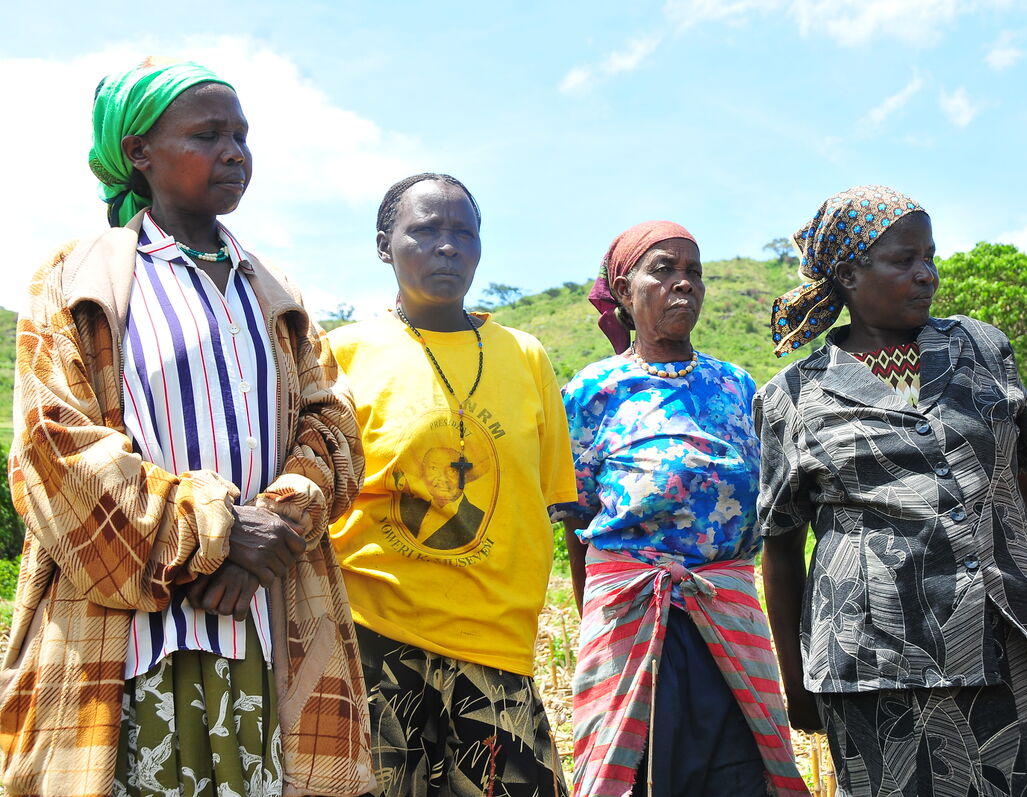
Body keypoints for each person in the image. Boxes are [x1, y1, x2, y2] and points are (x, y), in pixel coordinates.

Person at [0, 59, 374, 797]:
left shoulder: (279, 295)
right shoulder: (76, 282)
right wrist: (215, 532)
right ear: (138, 152)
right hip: (128, 635)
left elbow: (333, 427)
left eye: (241, 135)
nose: (235, 151)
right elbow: (51, 448)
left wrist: (274, 523)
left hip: (269, 622)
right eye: (207, 134)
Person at [756, 185, 1027, 797]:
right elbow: (782, 552)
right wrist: (796, 686)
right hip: (876, 668)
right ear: (848, 274)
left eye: (931, 256)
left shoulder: (980, 349)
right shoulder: (792, 396)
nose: (927, 275)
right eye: (905, 260)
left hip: (1015, 638)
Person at [327, 172, 577, 797]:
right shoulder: (341, 354)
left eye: (464, 233)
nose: (448, 246)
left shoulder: (525, 357)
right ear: (384, 245)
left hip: (497, 641)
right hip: (375, 641)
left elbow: (546, 501)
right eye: (426, 230)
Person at [559, 221, 808, 797]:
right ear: (624, 290)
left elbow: (769, 511)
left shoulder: (737, 387)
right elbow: (577, 520)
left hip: (727, 609)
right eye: (663, 270)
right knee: (635, 776)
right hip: (628, 612)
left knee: (740, 774)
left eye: (693, 272)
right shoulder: (593, 390)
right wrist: (596, 615)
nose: (683, 284)